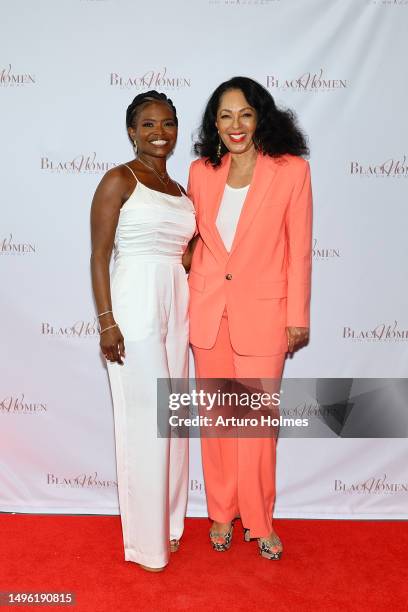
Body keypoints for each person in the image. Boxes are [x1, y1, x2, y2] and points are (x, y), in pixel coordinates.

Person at [187, 76, 312, 560]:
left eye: (244, 113)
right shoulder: (201, 171)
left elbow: (299, 250)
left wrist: (297, 314)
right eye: (224, 115)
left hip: (264, 314)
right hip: (208, 313)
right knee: (216, 419)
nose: (235, 124)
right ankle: (220, 511)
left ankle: (259, 520)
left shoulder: (291, 171)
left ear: (261, 117)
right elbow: (192, 241)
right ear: (214, 124)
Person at [90, 91, 196, 572]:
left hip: (178, 302)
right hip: (134, 306)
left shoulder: (179, 189)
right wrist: (107, 322)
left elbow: (186, 255)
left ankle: (169, 525)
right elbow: (98, 256)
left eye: (168, 123)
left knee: (171, 420)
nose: (160, 132)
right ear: (131, 131)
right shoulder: (119, 179)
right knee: (144, 425)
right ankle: (145, 544)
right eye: (149, 124)